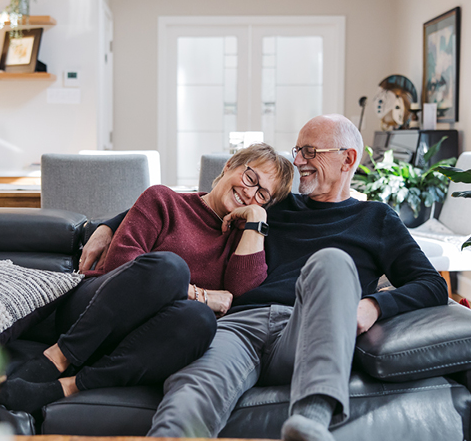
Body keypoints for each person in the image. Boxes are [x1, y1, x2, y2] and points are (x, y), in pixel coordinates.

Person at [80, 114, 448, 441]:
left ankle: (311, 421)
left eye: (309, 151)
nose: (298, 160)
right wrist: (105, 225)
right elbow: (191, 203)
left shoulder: (377, 219)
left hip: (306, 328)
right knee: (192, 395)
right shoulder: (276, 201)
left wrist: (373, 305)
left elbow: (431, 284)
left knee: (332, 262)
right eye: (297, 150)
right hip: (238, 323)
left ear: (347, 158)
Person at [0, 143, 295, 414]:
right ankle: (56, 359)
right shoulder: (164, 200)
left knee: (199, 321)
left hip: (145, 342)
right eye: (250, 178)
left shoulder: (245, 240)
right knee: (169, 268)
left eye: (262, 195)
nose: (250, 192)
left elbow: (240, 293)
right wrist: (201, 294)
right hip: (95, 312)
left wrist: (255, 220)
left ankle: (67, 386)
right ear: (229, 166)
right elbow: (121, 265)